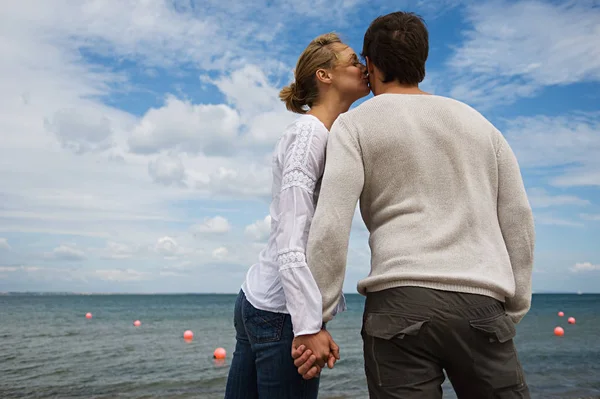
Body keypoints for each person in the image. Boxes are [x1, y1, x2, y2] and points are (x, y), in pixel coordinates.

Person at [292, 11, 535, 399]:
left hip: (397, 304)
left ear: (370, 66)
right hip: (481, 302)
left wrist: (316, 316)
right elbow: (518, 219)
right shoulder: (481, 125)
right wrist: (515, 304)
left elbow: (332, 223)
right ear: (422, 63)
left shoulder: (354, 125)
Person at [223, 32, 370, 399]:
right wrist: (307, 325)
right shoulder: (310, 135)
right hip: (282, 314)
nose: (363, 66)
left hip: (265, 302)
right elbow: (293, 231)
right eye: (353, 60)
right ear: (325, 75)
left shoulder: (325, 134)